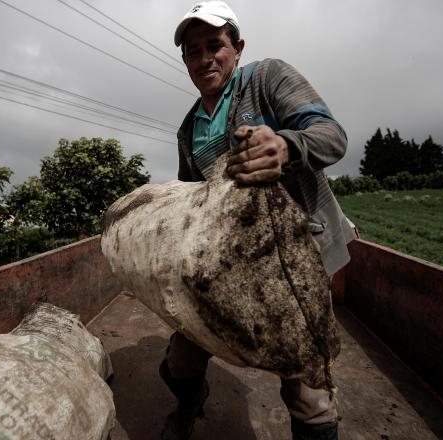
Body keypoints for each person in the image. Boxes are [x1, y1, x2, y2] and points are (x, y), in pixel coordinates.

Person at [161, 2, 356, 439]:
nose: (205, 58)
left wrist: (285, 147)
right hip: (231, 260)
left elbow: (331, 135)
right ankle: (191, 405)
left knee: (308, 395)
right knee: (180, 363)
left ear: (238, 48)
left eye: (216, 45)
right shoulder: (188, 127)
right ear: (186, 61)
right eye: (193, 51)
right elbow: (192, 197)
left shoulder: (268, 78)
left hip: (295, 257)